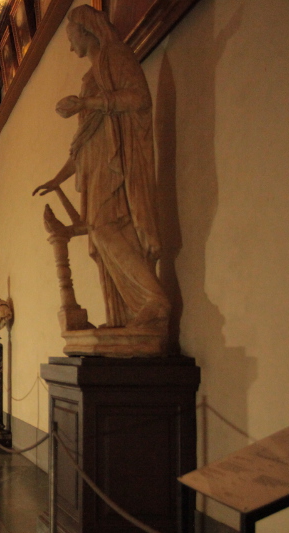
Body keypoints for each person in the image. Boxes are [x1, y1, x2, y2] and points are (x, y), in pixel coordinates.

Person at [32, 5, 169, 332]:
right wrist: (58, 178)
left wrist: (85, 104)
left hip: (116, 162)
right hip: (95, 165)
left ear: (86, 29)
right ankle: (123, 319)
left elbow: (138, 99)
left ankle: (155, 299)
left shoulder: (117, 57)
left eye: (71, 37)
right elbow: (82, 142)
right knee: (99, 239)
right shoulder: (90, 76)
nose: (69, 46)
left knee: (110, 231)